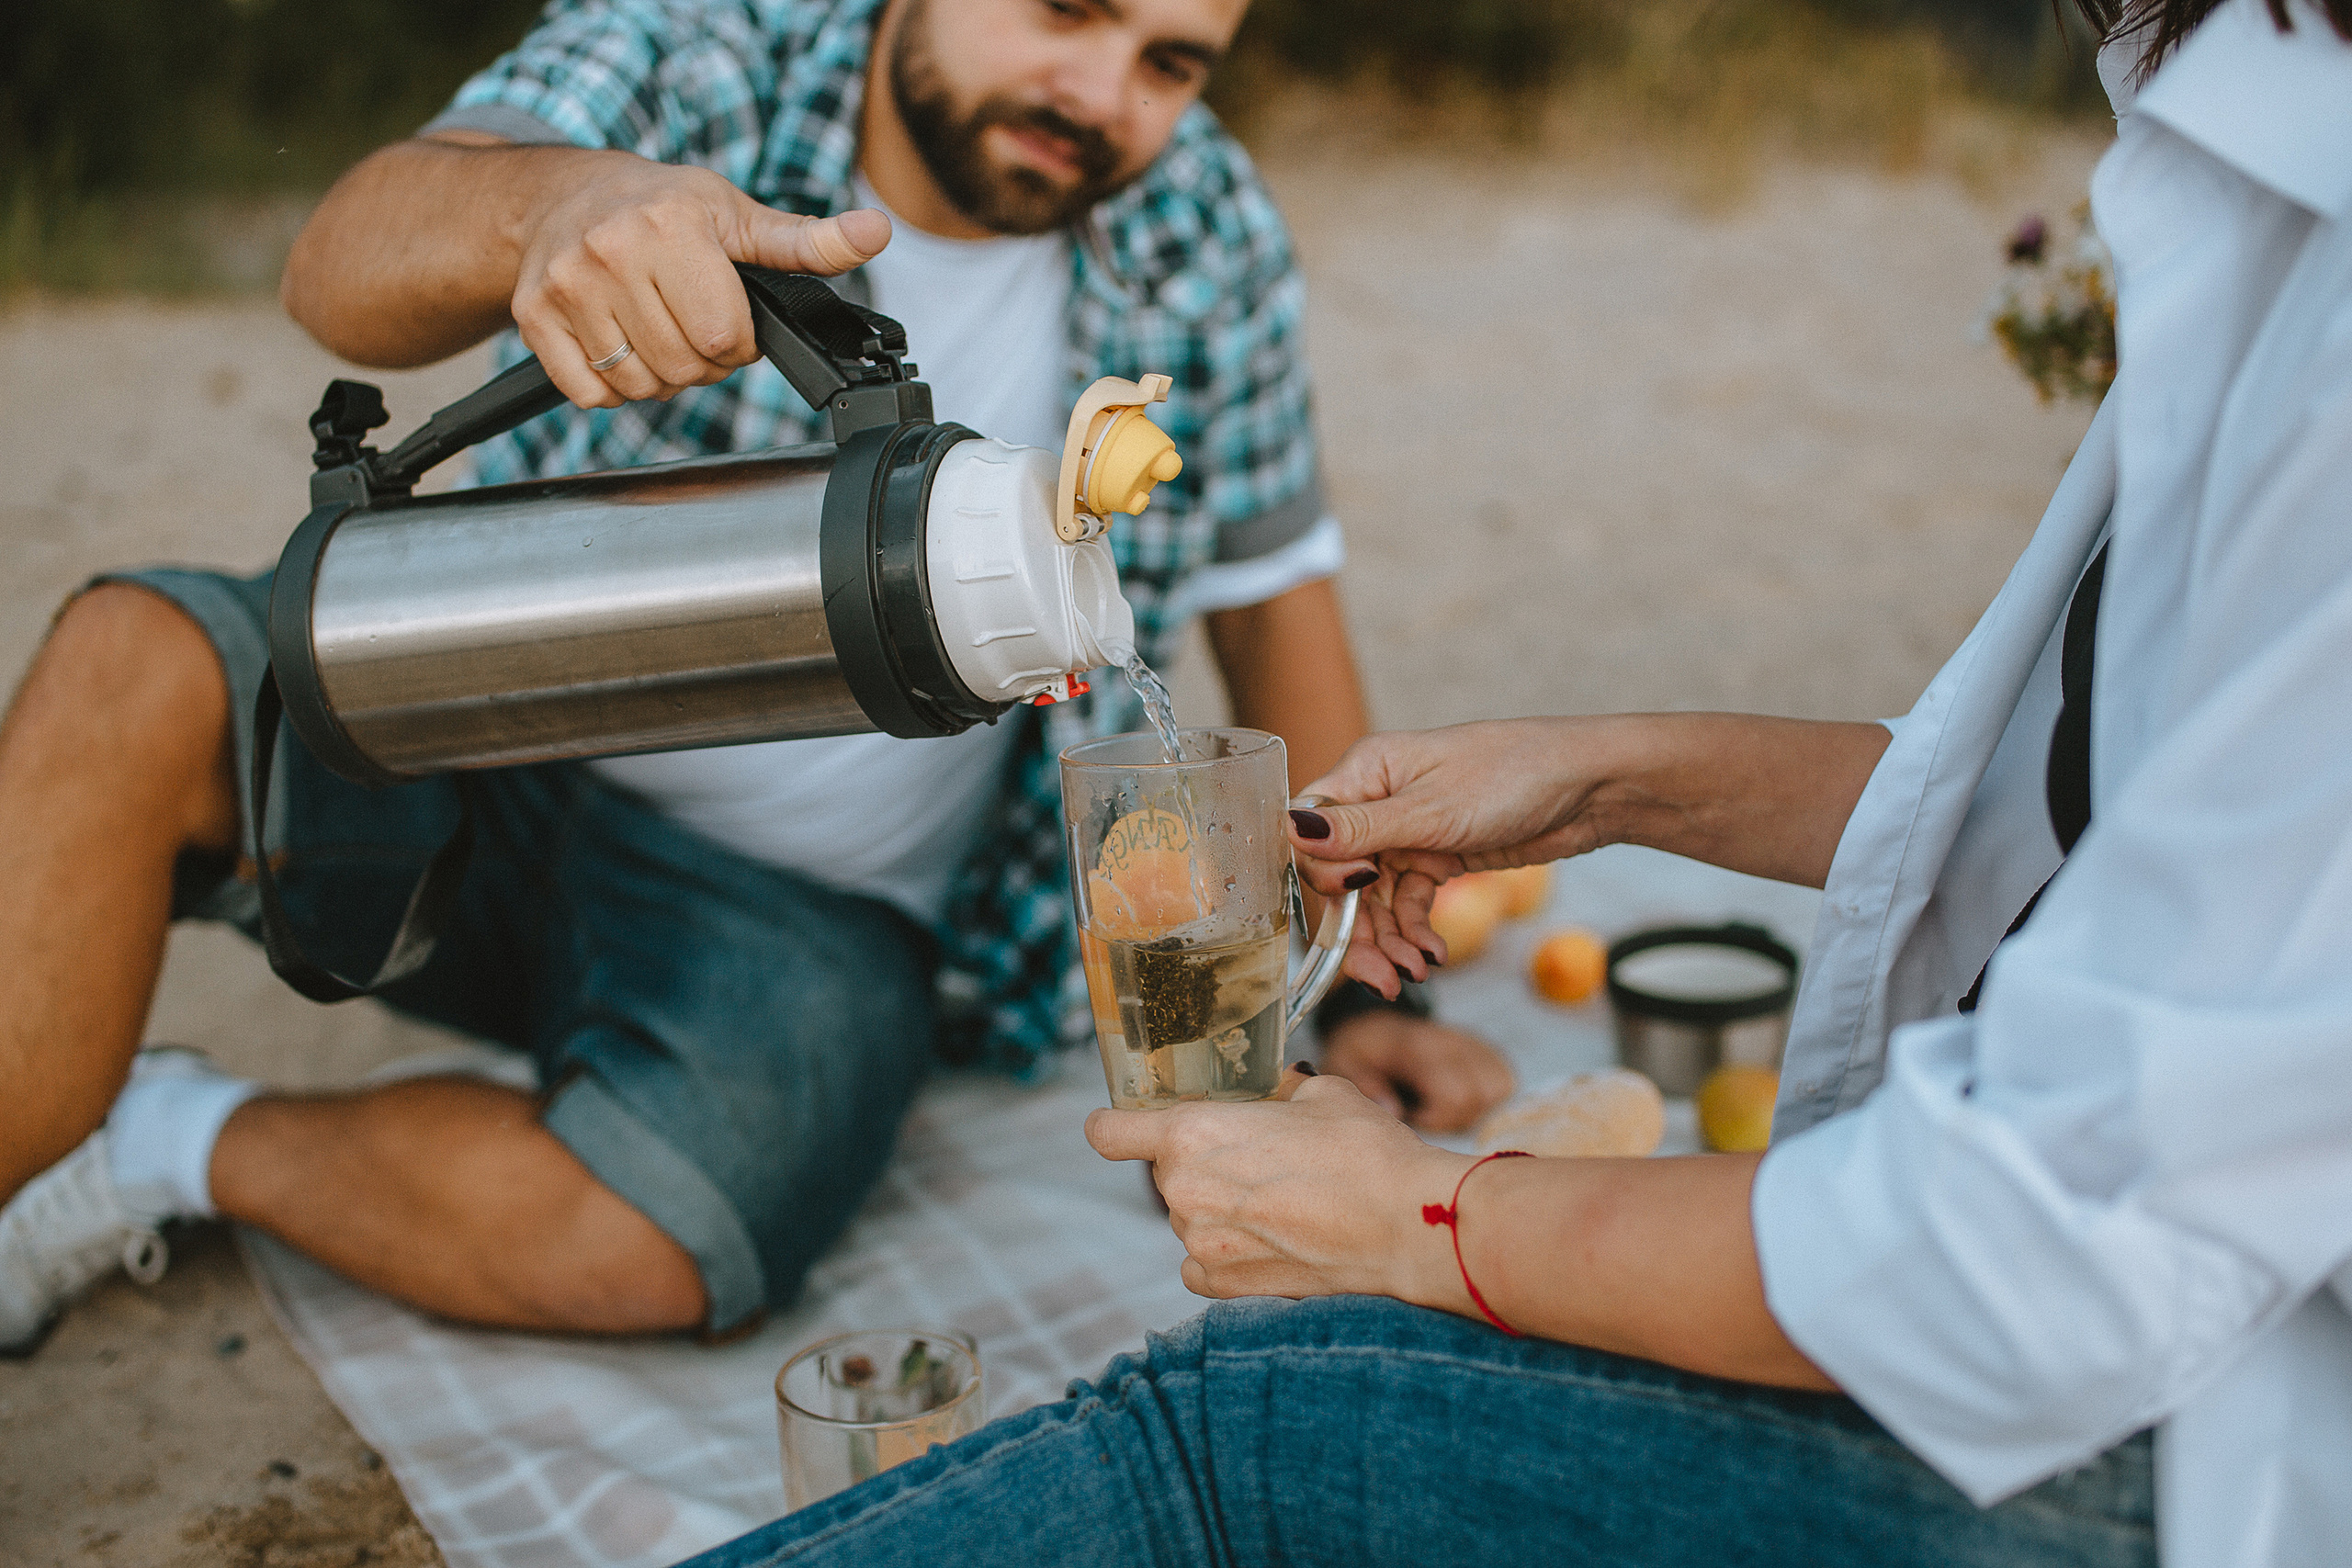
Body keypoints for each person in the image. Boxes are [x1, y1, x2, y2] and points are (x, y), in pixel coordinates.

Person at [658, 2, 2352, 1563]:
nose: (1111, 81)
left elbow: (2043, 1258)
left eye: (1170, 50)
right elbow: (2100, 829)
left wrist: (1428, 1218)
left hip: (2204, 1452)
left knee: (1249, 1419)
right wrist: (1599, 782)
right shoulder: (2255, 162)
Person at [0, 0, 1516, 1353]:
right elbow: (341, 264)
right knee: (132, 657)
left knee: (675, 1242)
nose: (1103, 90)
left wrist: (1338, 996)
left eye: (1170, 60)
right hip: (457, 728)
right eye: (1069, 11)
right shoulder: (719, 50)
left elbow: (1274, 602)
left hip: (804, 913)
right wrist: (562, 206)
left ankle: (159, 1136)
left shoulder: (1204, 233)